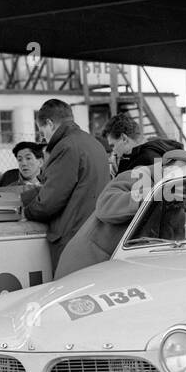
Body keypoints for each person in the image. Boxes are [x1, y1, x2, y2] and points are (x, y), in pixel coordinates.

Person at [56, 150, 186, 278]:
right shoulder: (136, 177)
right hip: (86, 265)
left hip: (115, 271)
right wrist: (148, 198)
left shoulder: (175, 206)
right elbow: (104, 207)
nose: (182, 183)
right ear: (164, 168)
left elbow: (171, 248)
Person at [21, 99, 110, 270]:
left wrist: (26, 211)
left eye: (42, 131)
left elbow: (50, 201)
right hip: (96, 235)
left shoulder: (65, 147)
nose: (43, 137)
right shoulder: (94, 143)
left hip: (72, 240)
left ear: (49, 123)